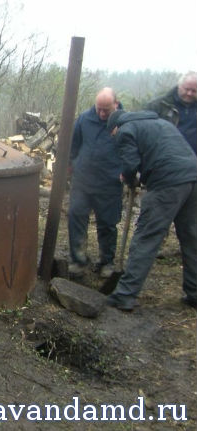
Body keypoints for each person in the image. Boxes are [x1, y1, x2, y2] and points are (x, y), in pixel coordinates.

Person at [105, 110, 197, 311]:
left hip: (168, 183)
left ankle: (125, 295)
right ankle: (194, 293)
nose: (114, 138)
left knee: (147, 236)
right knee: (192, 238)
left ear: (115, 127)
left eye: (112, 135)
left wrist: (129, 179)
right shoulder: (161, 123)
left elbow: (130, 165)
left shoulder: (125, 130)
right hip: (193, 177)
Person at [67, 88, 123, 278]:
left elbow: (131, 150)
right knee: (76, 216)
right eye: (98, 108)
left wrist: (127, 173)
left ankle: (106, 261)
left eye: (106, 110)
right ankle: (78, 259)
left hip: (110, 183)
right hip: (83, 181)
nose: (101, 113)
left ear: (116, 104)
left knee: (107, 224)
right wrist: (73, 165)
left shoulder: (125, 123)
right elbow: (73, 146)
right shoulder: (84, 119)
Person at [145, 71, 197, 154]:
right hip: (167, 158)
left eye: (194, 91)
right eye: (186, 89)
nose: (189, 93)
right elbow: (144, 133)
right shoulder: (158, 106)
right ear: (179, 86)